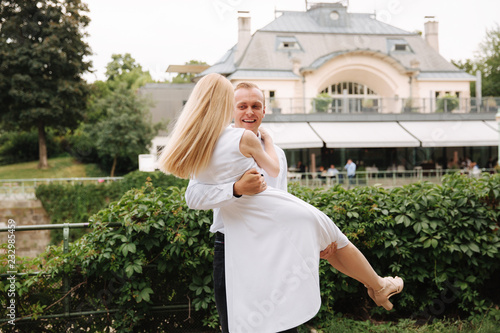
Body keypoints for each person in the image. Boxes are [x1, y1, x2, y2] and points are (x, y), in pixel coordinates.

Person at [159, 74, 403, 333]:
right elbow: (194, 196)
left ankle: (378, 286)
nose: (249, 112)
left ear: (265, 110)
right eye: (242, 106)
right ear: (230, 109)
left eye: (256, 106)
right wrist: (235, 189)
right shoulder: (211, 146)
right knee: (237, 323)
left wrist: (304, 242)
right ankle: (378, 285)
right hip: (233, 244)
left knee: (284, 322)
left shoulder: (278, 155)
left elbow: (278, 202)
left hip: (278, 246)